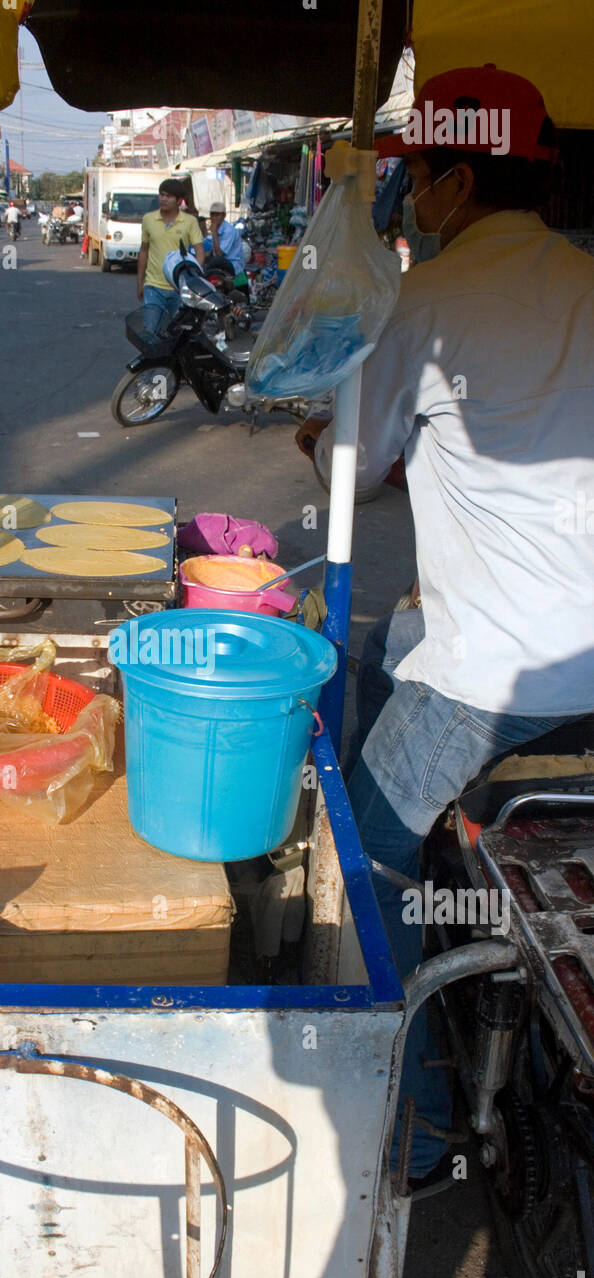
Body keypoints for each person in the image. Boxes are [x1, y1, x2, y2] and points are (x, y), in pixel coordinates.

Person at [296, 65, 594, 1185]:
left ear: (457, 178)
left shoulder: (423, 303)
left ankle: (413, 1127)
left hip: (496, 676)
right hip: (576, 662)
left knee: (360, 863)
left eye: (413, 177)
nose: (404, 199)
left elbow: (354, 471)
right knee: (388, 644)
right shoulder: (582, 281)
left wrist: (329, 436)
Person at [137, 178, 204, 336]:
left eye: (168, 196)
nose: (163, 199)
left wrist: (191, 279)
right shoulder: (148, 219)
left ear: (179, 200)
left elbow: (199, 253)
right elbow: (144, 251)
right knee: (149, 332)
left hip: (179, 289)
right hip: (153, 286)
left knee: (179, 335)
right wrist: (140, 282)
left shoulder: (189, 222)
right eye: (161, 195)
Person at [202, 201, 247, 286]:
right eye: (212, 215)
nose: (214, 218)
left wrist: (214, 233)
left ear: (223, 216)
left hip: (233, 265)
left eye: (217, 215)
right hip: (222, 263)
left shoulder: (228, 231)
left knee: (210, 265)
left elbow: (219, 254)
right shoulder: (217, 228)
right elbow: (213, 250)